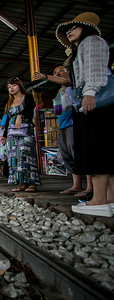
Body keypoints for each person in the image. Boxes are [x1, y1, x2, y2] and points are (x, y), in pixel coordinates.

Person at [55, 12, 113, 217]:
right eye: (68, 29)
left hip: (95, 101)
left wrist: (89, 94)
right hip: (97, 102)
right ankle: (109, 198)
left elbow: (95, 72)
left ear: (86, 28)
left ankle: (98, 199)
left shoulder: (91, 42)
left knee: (95, 149)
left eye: (74, 27)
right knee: (104, 150)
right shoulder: (84, 46)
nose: (69, 31)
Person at [33, 65, 93, 197]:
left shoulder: (74, 85)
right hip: (62, 125)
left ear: (69, 72)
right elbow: (58, 109)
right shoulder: (59, 92)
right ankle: (76, 184)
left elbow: (67, 82)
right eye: (55, 72)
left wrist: (45, 77)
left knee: (80, 152)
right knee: (67, 154)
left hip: (74, 123)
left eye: (61, 70)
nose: (57, 73)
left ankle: (90, 186)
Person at [1, 78, 40, 192]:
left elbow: (30, 109)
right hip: (11, 134)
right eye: (9, 87)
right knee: (14, 157)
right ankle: (21, 182)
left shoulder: (27, 97)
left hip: (25, 130)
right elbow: (7, 120)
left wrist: (20, 115)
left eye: (13, 85)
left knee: (26, 154)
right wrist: (4, 135)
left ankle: (32, 183)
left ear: (20, 86)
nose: (11, 88)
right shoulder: (9, 102)